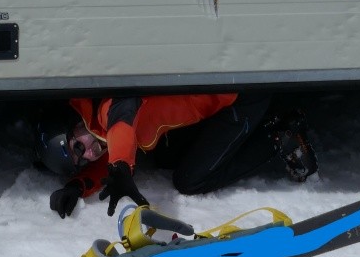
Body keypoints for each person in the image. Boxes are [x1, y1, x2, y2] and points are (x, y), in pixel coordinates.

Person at [35, 92, 317, 218]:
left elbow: (122, 124)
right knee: (166, 157)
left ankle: (278, 136)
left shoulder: (108, 109)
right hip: (214, 105)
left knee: (190, 181)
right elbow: (109, 150)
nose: (90, 154)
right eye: (82, 160)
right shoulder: (97, 128)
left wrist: (120, 167)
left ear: (74, 124)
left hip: (238, 99)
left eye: (78, 147)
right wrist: (77, 186)